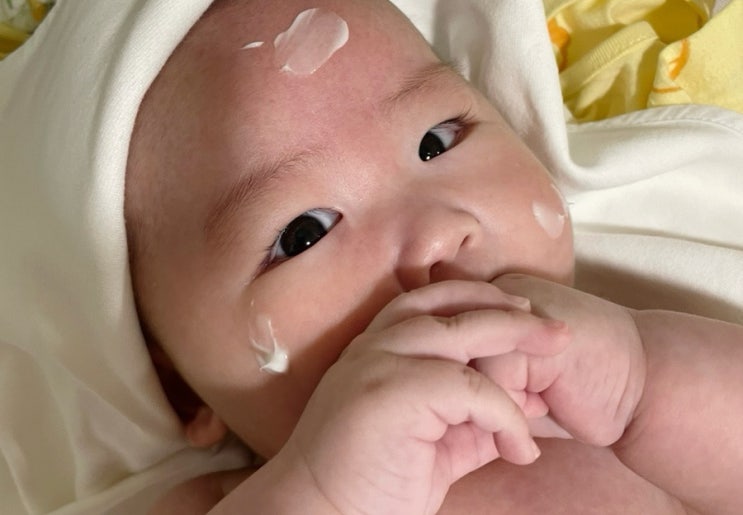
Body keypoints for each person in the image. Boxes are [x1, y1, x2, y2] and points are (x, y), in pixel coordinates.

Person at [122, 0, 743, 513]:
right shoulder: (226, 502)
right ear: (179, 390)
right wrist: (324, 495)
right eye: (302, 235)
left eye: (436, 140)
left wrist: (639, 385)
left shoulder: (627, 370)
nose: (434, 234)